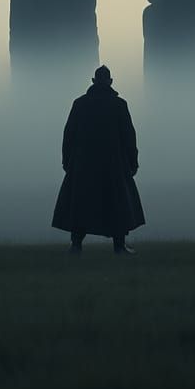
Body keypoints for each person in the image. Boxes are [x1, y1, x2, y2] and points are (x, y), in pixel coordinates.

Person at [51, 65, 145, 255]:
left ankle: (76, 245)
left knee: (81, 202)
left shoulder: (80, 104)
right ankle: (119, 246)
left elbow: (69, 135)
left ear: (93, 81)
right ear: (110, 82)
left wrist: (67, 160)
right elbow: (128, 136)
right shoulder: (119, 105)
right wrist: (132, 161)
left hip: (84, 162)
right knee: (116, 202)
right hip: (113, 163)